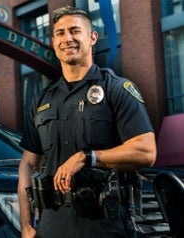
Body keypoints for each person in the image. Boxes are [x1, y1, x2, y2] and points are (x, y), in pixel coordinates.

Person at [17, 6, 157, 238]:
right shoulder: (40, 101)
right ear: (53, 42)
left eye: (75, 31)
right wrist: (26, 224)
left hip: (103, 222)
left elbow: (146, 151)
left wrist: (88, 157)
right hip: (52, 224)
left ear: (92, 38)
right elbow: (28, 164)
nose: (67, 39)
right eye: (60, 33)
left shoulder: (116, 88)